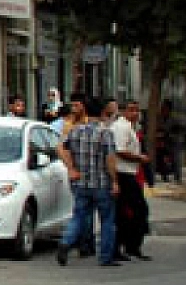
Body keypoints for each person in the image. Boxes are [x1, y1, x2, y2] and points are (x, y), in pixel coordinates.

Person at [57, 98, 120, 268]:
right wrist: (115, 180)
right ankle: (105, 256)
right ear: (103, 112)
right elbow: (110, 159)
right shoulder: (105, 133)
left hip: (81, 182)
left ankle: (66, 241)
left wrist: (71, 168)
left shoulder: (75, 131)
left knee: (78, 216)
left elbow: (62, 149)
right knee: (107, 220)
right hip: (101, 183)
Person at [111, 99, 151, 261]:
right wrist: (139, 158)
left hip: (130, 172)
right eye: (131, 110)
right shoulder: (121, 127)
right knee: (138, 209)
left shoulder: (130, 127)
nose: (135, 113)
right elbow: (120, 151)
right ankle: (129, 245)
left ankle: (128, 246)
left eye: (137, 110)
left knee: (127, 211)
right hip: (123, 173)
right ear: (123, 111)